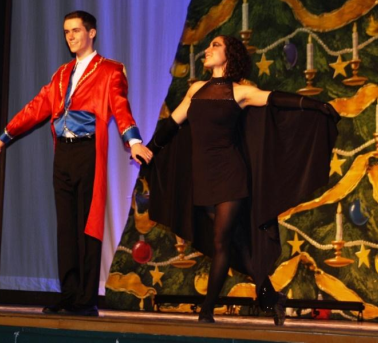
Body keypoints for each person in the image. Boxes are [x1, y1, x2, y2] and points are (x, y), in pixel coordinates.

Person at [145, 35, 339, 325]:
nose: (207, 50)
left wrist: (315, 105)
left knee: (221, 242)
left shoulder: (241, 92)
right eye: (209, 46)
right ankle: (271, 297)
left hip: (230, 175)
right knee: (235, 243)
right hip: (203, 177)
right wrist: (149, 151)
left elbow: (276, 99)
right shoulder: (195, 90)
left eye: (215, 45)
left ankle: (207, 311)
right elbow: (172, 124)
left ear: (230, 54)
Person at [0, 10, 152, 317]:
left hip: (87, 151)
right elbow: (37, 107)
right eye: (66, 32)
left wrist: (133, 141)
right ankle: (68, 294)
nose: (70, 37)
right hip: (63, 154)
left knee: (86, 225)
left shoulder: (110, 70)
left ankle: (86, 299)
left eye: (76, 30)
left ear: (91, 33)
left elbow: (120, 106)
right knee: (66, 227)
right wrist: (5, 136)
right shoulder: (62, 73)